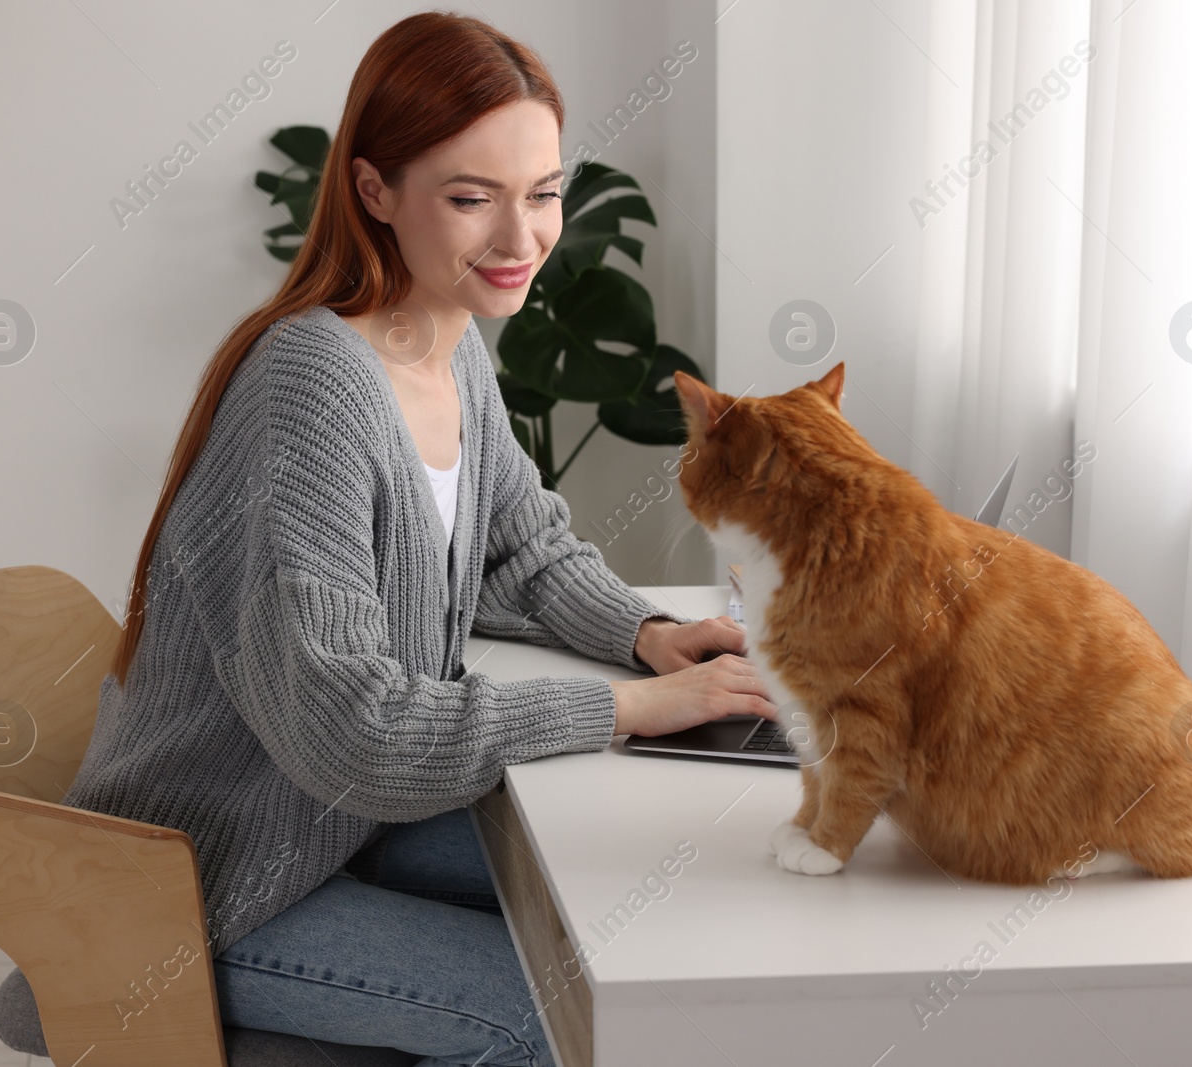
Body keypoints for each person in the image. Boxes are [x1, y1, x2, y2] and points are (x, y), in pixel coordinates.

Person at [59, 11, 779, 1067]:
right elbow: (353, 730)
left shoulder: (448, 347)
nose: (521, 237)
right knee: (557, 1017)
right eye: (470, 198)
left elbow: (521, 548)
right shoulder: (314, 383)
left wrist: (644, 637)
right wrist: (623, 706)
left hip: (334, 826)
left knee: (623, 903)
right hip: (212, 876)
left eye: (542, 193)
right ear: (373, 191)